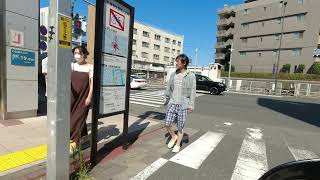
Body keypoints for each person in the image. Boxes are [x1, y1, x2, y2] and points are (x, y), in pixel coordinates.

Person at [164, 54, 196, 153]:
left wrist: (191, 105)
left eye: (178, 61)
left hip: (183, 105)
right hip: (172, 103)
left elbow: (192, 91)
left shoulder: (190, 75)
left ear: (184, 63)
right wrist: (166, 99)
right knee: (167, 123)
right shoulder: (174, 74)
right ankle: (174, 136)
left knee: (180, 127)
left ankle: (178, 144)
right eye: (176, 61)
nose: (176, 63)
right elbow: (169, 87)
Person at [70, 46, 93, 152]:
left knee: (78, 119)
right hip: (72, 97)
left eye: (78, 53)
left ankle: (73, 142)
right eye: (75, 53)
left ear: (84, 54)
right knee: (73, 118)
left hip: (83, 97)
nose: (76, 55)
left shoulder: (90, 67)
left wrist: (89, 97)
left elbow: (92, 84)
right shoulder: (72, 66)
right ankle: (85, 139)